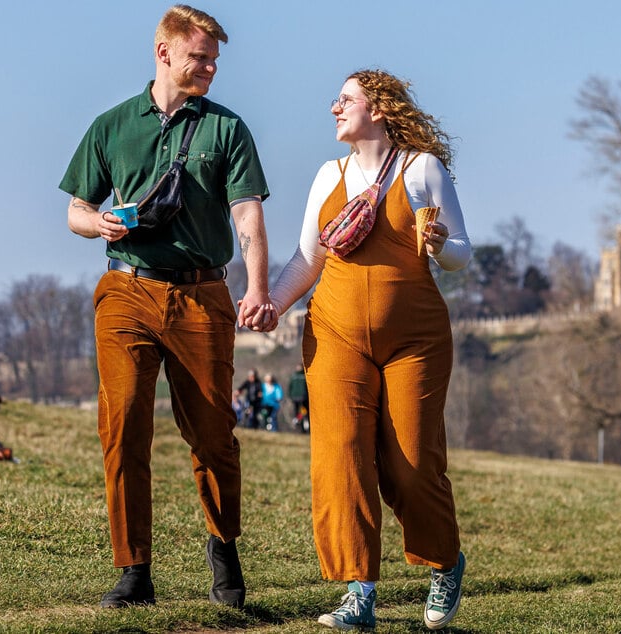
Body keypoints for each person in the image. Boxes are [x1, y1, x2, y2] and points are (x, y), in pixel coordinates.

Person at [58, 4, 274, 610]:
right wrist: (96, 223)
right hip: (126, 289)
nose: (208, 68)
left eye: (213, 61)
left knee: (212, 432)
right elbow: (74, 209)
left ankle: (223, 547)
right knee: (123, 423)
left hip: (203, 293)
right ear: (164, 53)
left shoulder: (227, 129)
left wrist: (256, 288)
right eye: (198, 57)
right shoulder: (112, 125)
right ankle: (133, 571)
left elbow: (248, 216)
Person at [258, 69, 471, 630]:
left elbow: (462, 253)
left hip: (415, 342)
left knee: (411, 464)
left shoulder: (421, 168)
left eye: (345, 99)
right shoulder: (328, 175)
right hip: (335, 333)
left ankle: (445, 561)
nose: (335, 108)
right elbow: (308, 260)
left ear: (378, 107)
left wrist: (442, 245)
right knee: (341, 455)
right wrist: (271, 305)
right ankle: (359, 593)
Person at [287, 363, 309, 431]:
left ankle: (297, 419)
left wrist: (290, 396)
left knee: (297, 411)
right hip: (303, 397)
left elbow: (289, 387)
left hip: (295, 397)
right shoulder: (305, 376)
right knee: (304, 411)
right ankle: (303, 421)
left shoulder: (293, 376)